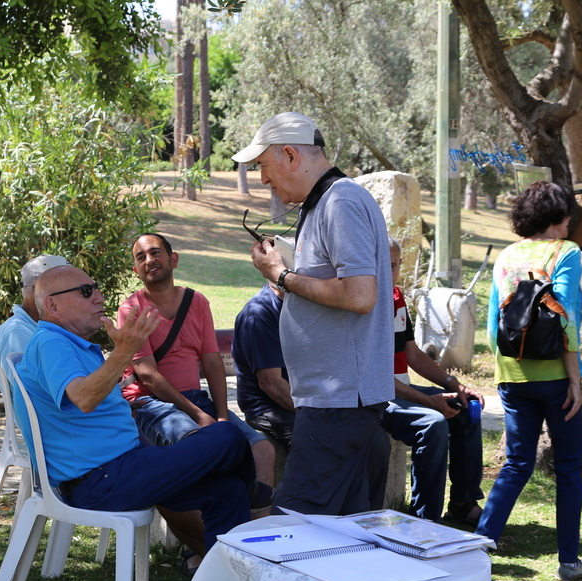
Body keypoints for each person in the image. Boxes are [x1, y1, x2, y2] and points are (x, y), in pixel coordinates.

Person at [12, 265, 253, 554]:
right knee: (227, 436)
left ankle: (227, 575)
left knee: (228, 490)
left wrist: (119, 407)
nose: (99, 297)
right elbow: (84, 398)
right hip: (101, 480)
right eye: (86, 292)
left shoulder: (67, 344)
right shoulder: (51, 342)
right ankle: (257, 492)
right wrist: (125, 350)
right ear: (53, 305)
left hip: (122, 468)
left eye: (96, 288)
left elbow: (81, 403)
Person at [235, 111, 393, 515]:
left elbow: (360, 295)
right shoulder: (324, 202)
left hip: (338, 400)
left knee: (294, 521)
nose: (263, 179)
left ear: (290, 155)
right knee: (344, 525)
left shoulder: (341, 201)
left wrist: (282, 275)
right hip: (332, 397)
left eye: (263, 166)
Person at [477, 180, 582, 581]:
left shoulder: (507, 254)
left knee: (516, 463)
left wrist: (506, 368)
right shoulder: (567, 251)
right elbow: (566, 315)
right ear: (559, 217)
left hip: (512, 374)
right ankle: (569, 562)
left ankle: (480, 545)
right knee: (569, 468)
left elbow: (492, 323)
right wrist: (575, 378)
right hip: (556, 375)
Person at [117, 233, 276, 491]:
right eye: (141, 257)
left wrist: (222, 416)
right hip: (151, 404)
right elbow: (148, 376)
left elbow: (212, 362)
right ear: (136, 270)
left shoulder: (197, 302)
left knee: (262, 449)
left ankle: (255, 516)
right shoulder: (131, 310)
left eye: (155, 252)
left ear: (174, 259)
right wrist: (198, 415)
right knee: (199, 444)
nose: (149, 260)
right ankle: (214, 513)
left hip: (195, 399)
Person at [380, 240, 485, 523]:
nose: (387, 271)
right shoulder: (362, 303)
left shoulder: (396, 297)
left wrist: (454, 385)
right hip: (375, 396)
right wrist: (429, 402)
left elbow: (412, 353)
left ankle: (463, 502)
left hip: (400, 389)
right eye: (379, 263)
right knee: (433, 423)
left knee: (466, 407)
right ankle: (424, 520)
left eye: (393, 264)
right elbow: (374, 377)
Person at [233, 282, 295, 448]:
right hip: (268, 407)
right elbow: (271, 384)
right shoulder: (258, 315)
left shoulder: (298, 306)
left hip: (302, 401)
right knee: (319, 441)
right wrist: (314, 413)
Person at [0, 254, 68, 374]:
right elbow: (43, 383)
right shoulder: (17, 333)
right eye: (67, 290)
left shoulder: (47, 326)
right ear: (38, 291)